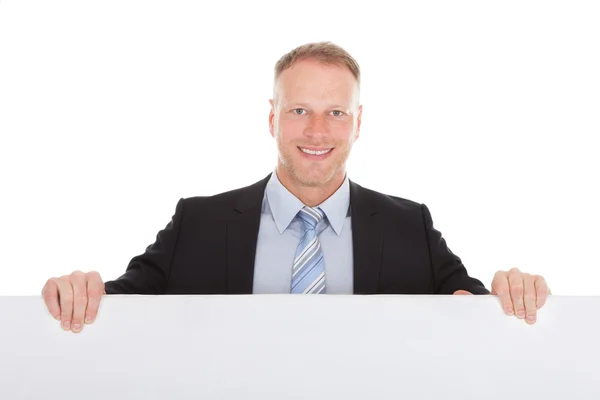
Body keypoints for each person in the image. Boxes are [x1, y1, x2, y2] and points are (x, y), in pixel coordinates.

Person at [42, 41, 550, 333]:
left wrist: (511, 293)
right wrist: (80, 292)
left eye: (335, 113)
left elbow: (470, 310)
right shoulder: (198, 222)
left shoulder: (408, 225)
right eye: (299, 110)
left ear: (358, 123)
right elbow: (123, 306)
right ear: (272, 118)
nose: (316, 132)